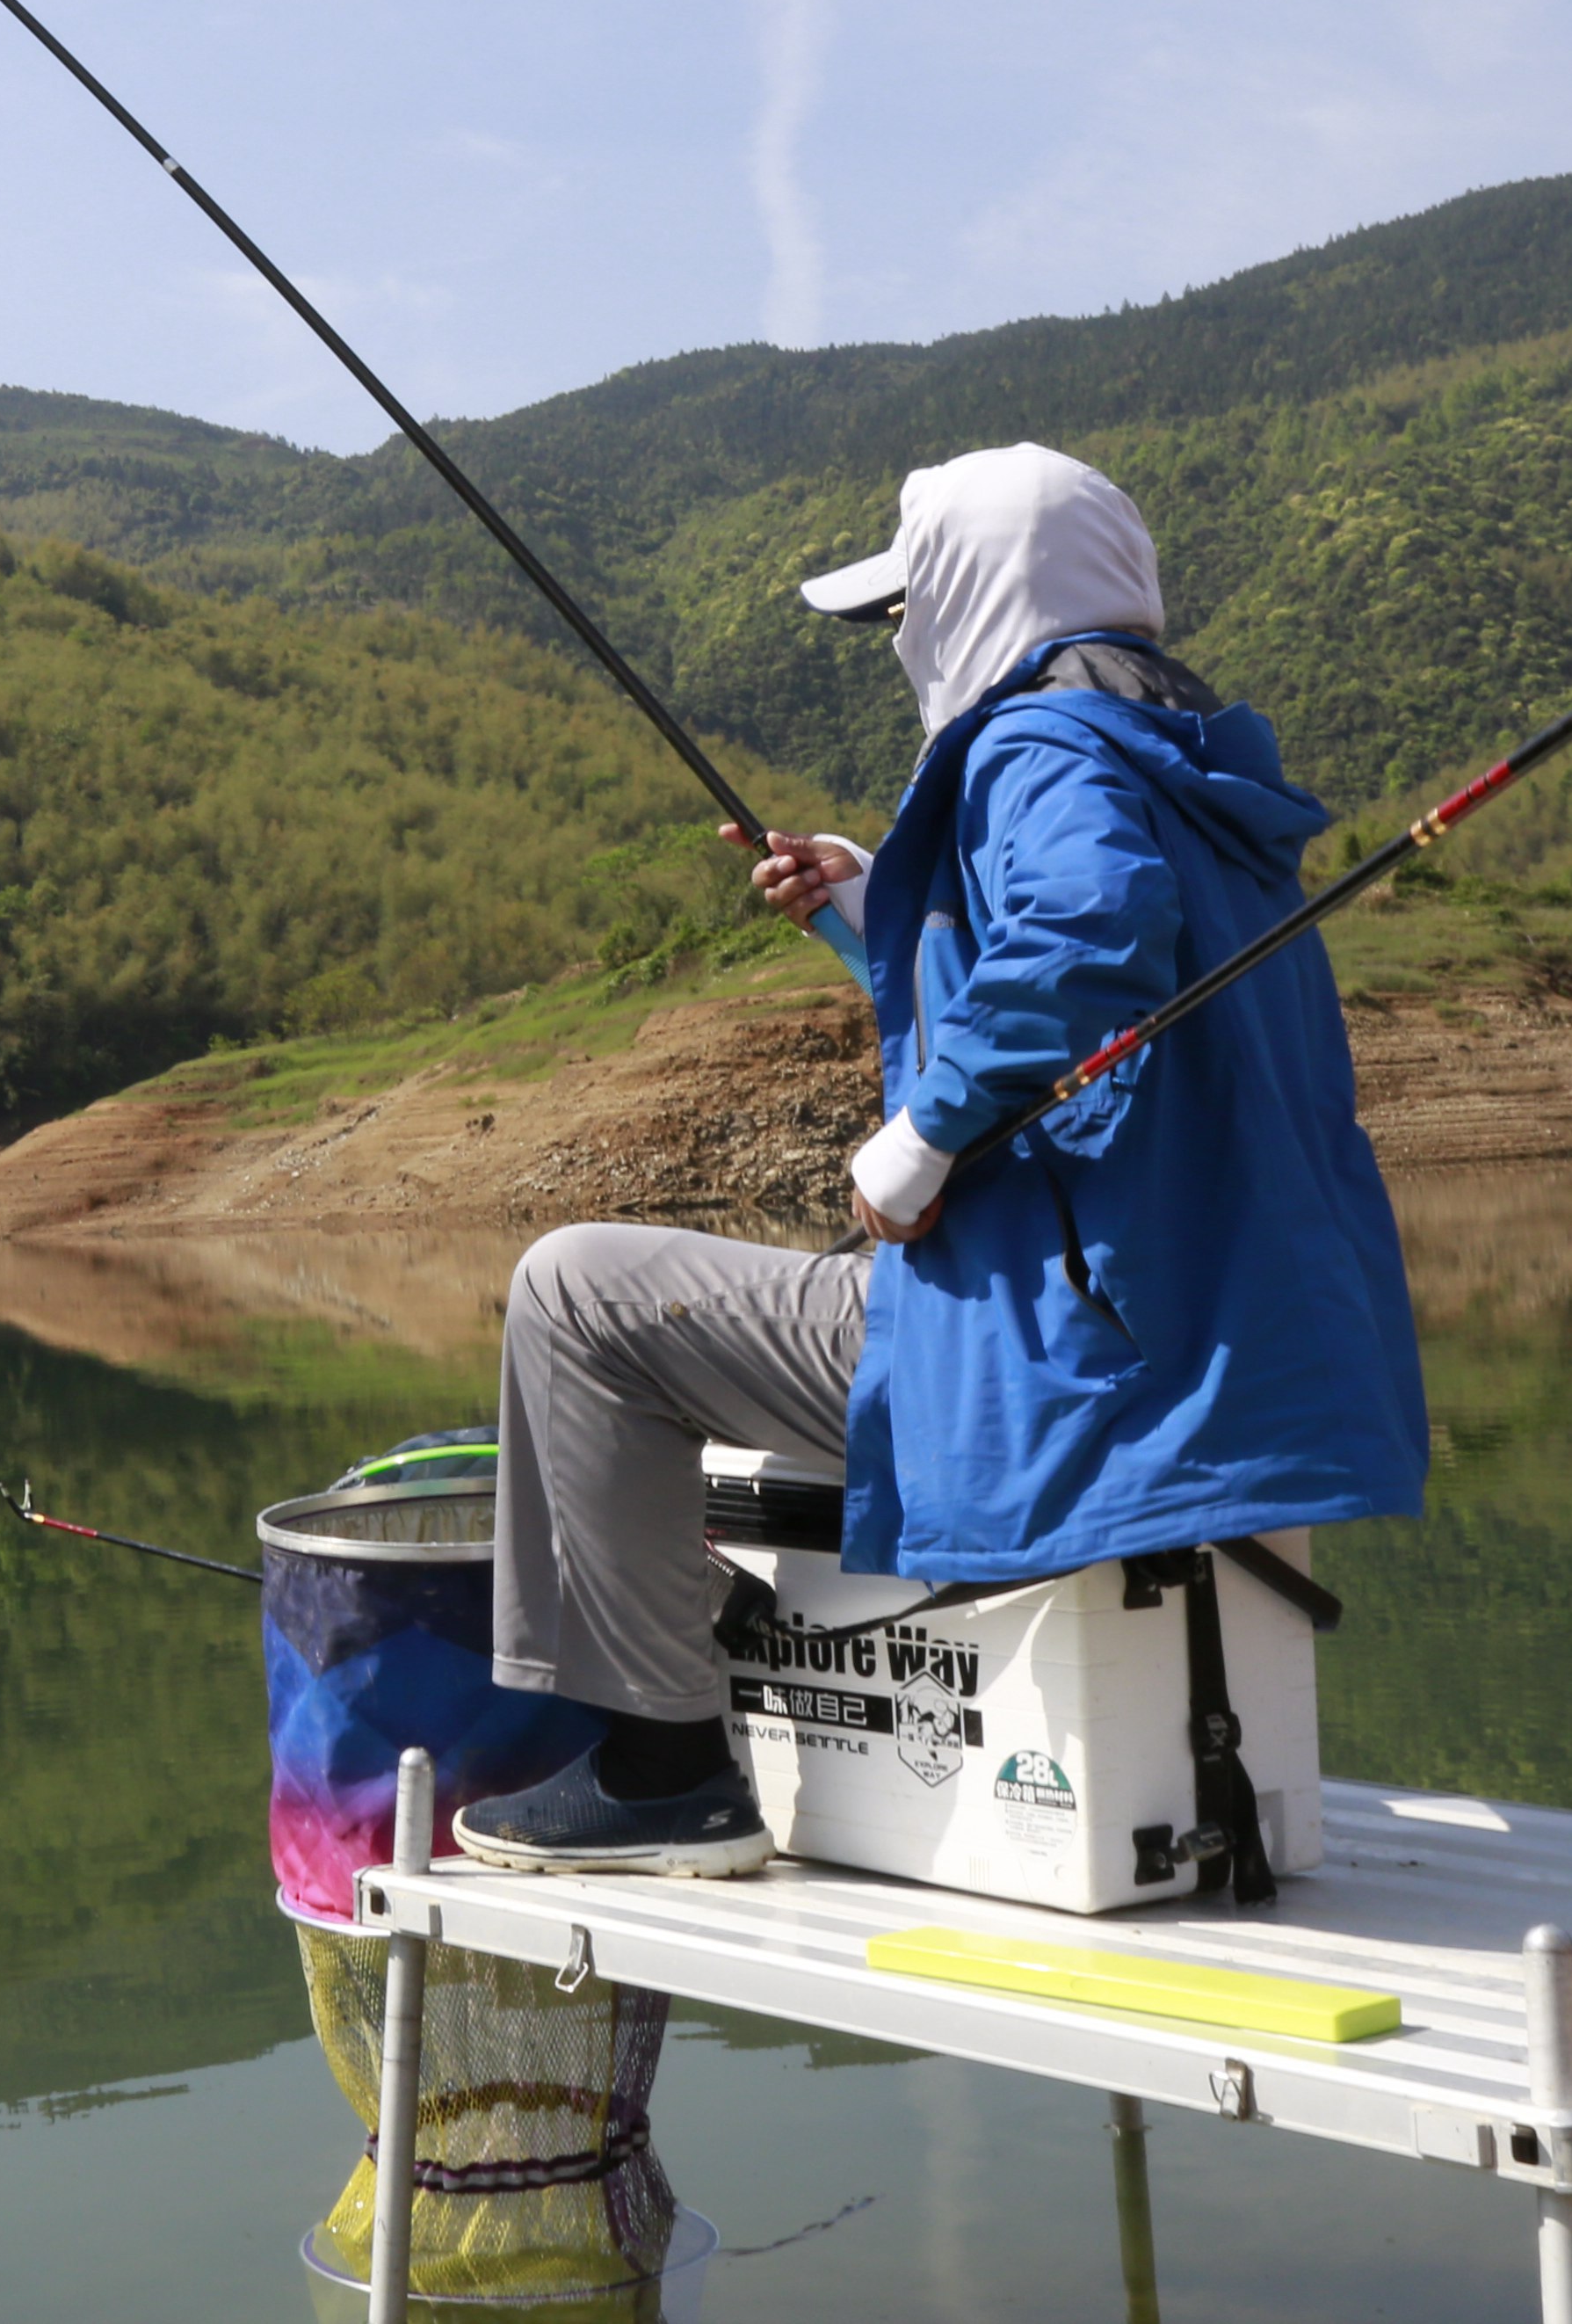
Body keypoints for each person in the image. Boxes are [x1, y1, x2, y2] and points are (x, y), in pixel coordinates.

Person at [453, 442, 1428, 1874]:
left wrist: (921, 1133)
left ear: (982, 588)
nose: (898, 641)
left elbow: (1091, 922)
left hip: (1078, 1354)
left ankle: (664, 1769)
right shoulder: (1186, 762)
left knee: (576, 1292)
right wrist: (871, 913)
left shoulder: (1031, 744)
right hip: (1215, 1345)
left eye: (906, 608)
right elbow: (1119, 986)